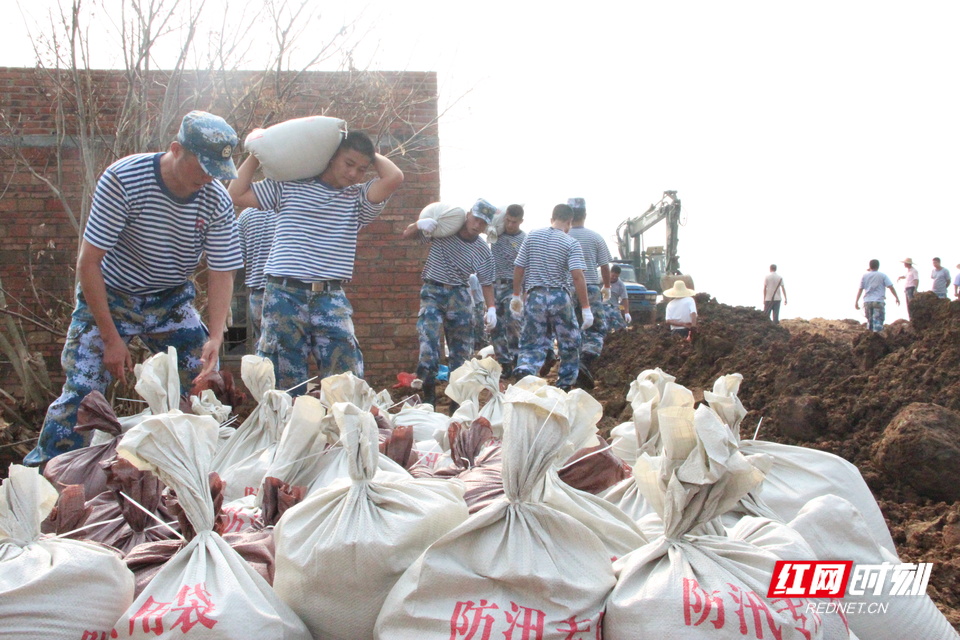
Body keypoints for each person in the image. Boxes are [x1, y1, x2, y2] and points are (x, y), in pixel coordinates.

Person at [25, 111, 243, 465]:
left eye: (216, 171)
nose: (208, 178)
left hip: (170, 299)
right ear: (176, 149)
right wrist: (112, 339)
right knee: (84, 390)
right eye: (202, 167)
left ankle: (203, 469)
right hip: (112, 296)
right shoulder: (125, 179)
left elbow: (222, 272)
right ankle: (45, 475)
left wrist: (215, 336)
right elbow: (88, 263)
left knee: (204, 382)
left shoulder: (215, 199)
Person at [228, 130, 404, 391]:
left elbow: (394, 177)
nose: (354, 174)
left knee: (346, 379)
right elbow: (236, 193)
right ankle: (286, 431)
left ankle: (340, 431)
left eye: (361, 169)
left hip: (330, 297)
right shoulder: (289, 186)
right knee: (283, 382)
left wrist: (360, 149)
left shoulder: (357, 199)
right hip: (284, 294)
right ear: (331, 158)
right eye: (348, 163)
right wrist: (256, 153)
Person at [403, 199, 497, 406]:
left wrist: (491, 308)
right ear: (469, 214)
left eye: (483, 223)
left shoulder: (482, 250)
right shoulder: (445, 231)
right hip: (433, 291)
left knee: (461, 353)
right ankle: (428, 397)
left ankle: (456, 404)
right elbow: (408, 235)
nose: (477, 225)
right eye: (475, 219)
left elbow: (487, 281)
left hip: (460, 295)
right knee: (428, 346)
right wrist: (419, 225)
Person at [510, 204, 591, 391]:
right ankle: (565, 384)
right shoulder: (570, 243)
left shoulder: (532, 236)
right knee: (569, 342)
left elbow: (519, 267)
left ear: (551, 218)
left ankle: (525, 371)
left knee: (531, 341)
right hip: (559, 297)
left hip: (535, 296)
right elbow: (577, 275)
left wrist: (516, 295)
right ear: (569, 222)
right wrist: (586, 308)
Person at [566, 197, 611, 388]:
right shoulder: (595, 237)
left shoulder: (563, 236)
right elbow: (605, 266)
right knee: (595, 329)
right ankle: (585, 361)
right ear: (585, 214)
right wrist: (607, 287)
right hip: (591, 287)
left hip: (567, 289)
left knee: (571, 328)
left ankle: (571, 369)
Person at [489, 204, 525, 375]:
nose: (510, 225)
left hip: (514, 285)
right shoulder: (495, 234)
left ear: (521, 222)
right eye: (508, 221)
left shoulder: (525, 239)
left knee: (513, 323)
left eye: (514, 222)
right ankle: (505, 362)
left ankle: (517, 359)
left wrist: (522, 293)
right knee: (494, 325)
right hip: (495, 284)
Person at [237, 207, 277, 346]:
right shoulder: (290, 209)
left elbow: (234, 259)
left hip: (257, 295)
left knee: (264, 351)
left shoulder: (246, 214)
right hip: (286, 292)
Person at [855, 259, 900, 332]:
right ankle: (877, 339)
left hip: (867, 301)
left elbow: (860, 289)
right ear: (878, 266)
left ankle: (869, 338)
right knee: (878, 323)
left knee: (870, 323)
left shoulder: (865, 276)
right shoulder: (882, 275)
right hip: (878, 301)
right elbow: (890, 287)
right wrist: (896, 297)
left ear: (870, 266)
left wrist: (856, 301)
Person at [604, 264, 630, 331]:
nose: (614, 277)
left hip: (614, 306)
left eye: (616, 276)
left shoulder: (620, 285)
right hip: (602, 305)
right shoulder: (602, 279)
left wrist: (626, 312)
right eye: (613, 275)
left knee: (621, 326)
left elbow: (625, 298)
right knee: (604, 325)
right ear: (610, 272)